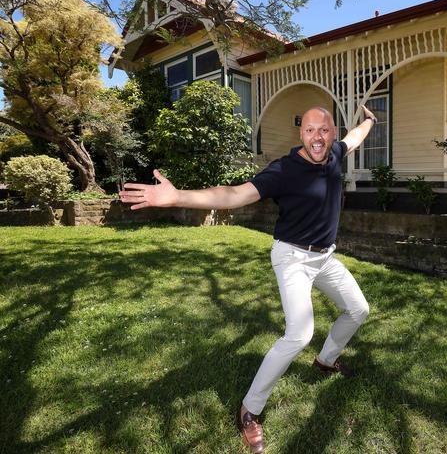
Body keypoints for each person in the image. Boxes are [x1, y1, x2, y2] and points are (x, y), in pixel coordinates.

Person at [119, 105, 378, 453]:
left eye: (325, 130)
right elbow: (234, 194)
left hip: (324, 256)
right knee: (299, 333)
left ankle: (326, 360)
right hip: (293, 257)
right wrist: (177, 196)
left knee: (358, 309)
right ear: (301, 133)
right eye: (311, 130)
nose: (319, 137)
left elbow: (355, 137)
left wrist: (371, 121)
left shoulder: (334, 152)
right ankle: (250, 409)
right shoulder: (284, 170)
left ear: (331, 132)